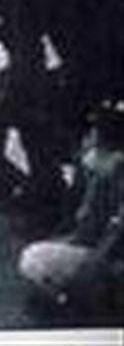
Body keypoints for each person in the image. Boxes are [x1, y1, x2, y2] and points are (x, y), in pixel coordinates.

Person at [16, 100, 124, 322]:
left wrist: (89, 273)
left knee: (38, 261)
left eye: (96, 139)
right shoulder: (103, 175)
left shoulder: (115, 174)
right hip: (105, 252)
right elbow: (85, 226)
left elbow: (112, 238)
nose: (90, 144)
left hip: (115, 259)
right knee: (39, 258)